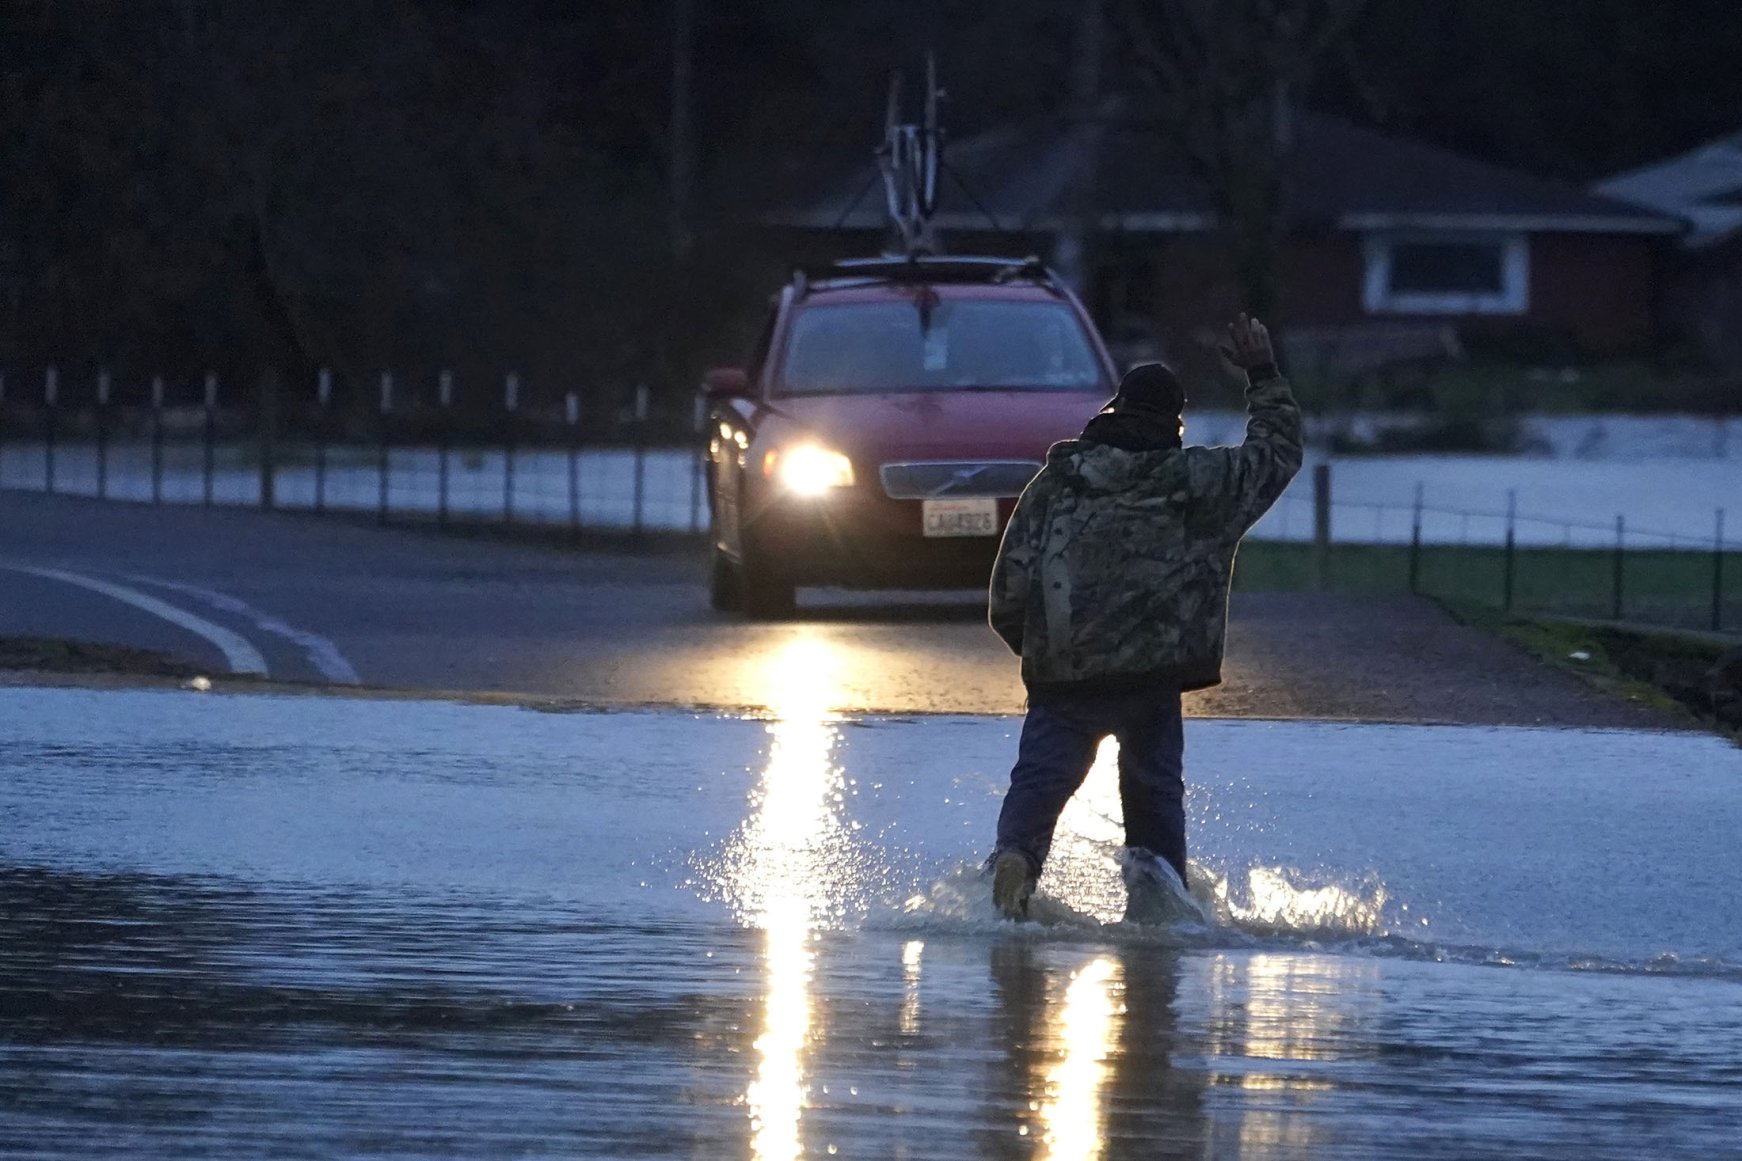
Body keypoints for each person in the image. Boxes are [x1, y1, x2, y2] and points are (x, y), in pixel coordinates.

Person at [985, 314, 1303, 921]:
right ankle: (1157, 910)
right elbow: (1277, 452)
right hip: (1151, 683)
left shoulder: (1057, 483)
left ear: (1113, 410)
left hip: (1064, 681)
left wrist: (1049, 652)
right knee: (1155, 803)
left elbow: (1008, 593)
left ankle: (1016, 865)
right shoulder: (1197, 483)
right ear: (1175, 423)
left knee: (1037, 789)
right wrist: (1261, 372)